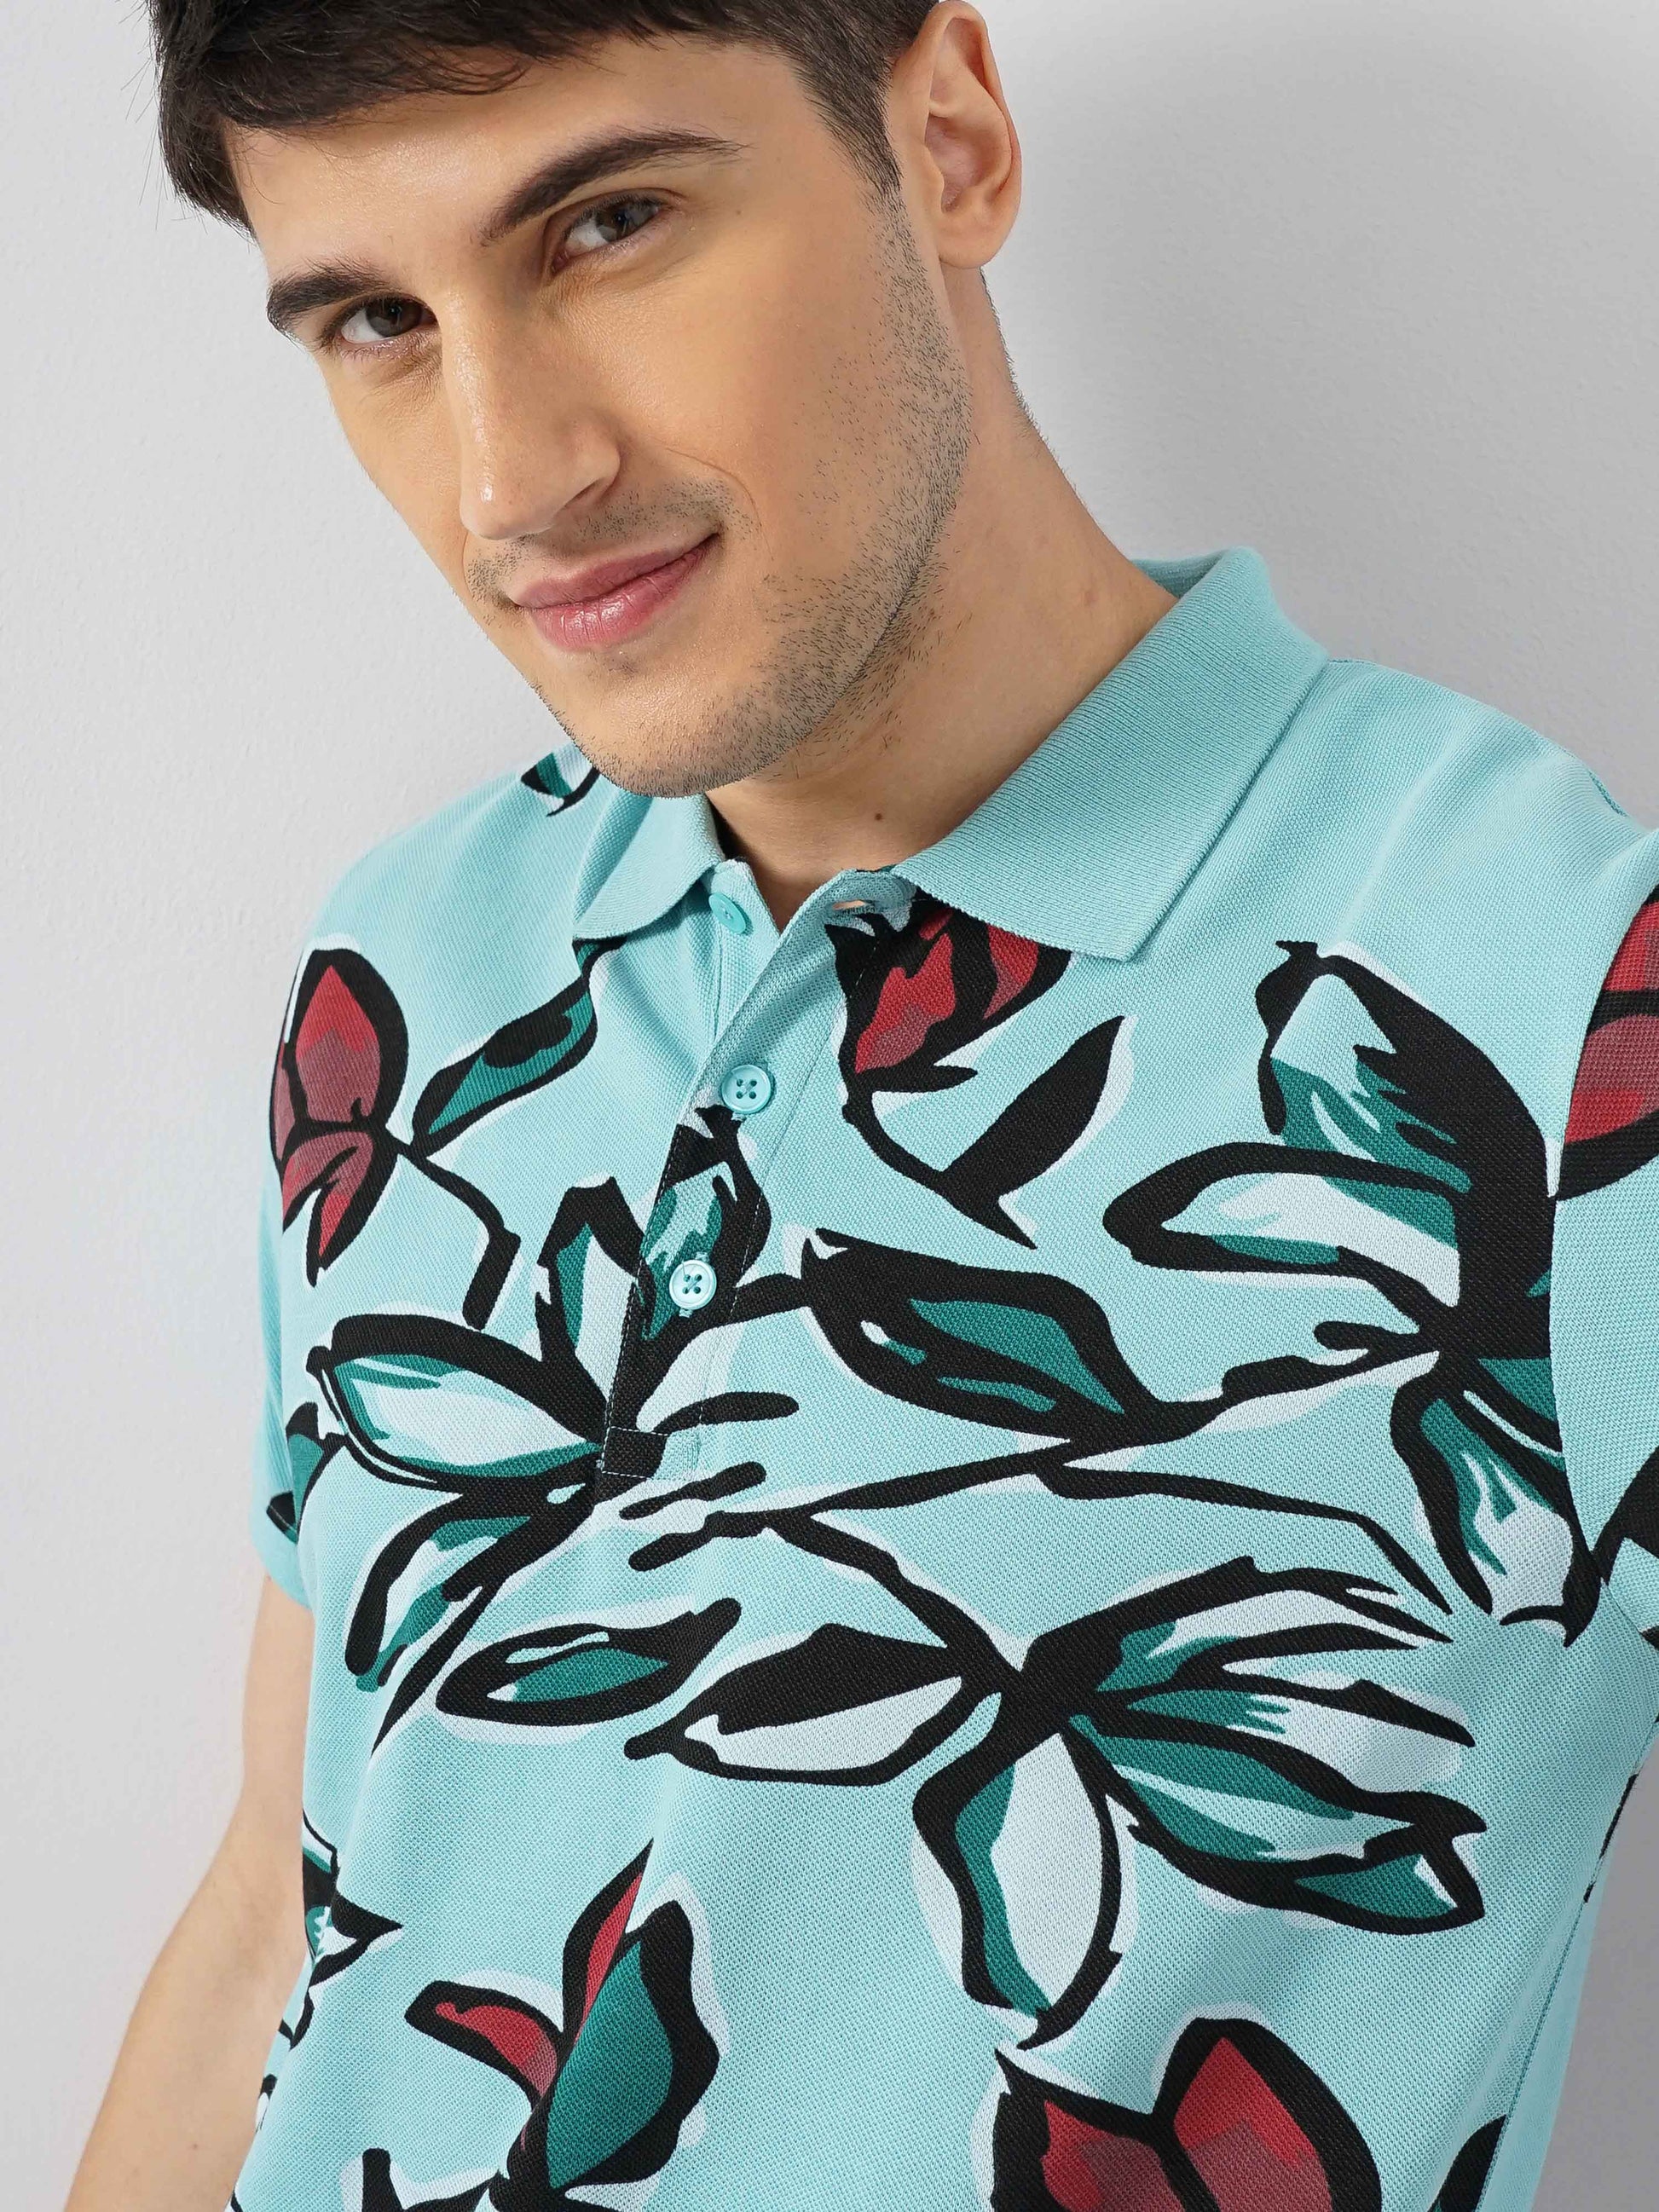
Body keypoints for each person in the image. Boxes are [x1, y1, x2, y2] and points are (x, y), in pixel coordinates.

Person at [67, 4, 1659, 2208]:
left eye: (607, 225)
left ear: (950, 141)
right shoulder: (415, 971)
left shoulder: (1552, 1002)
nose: (510, 477)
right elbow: (285, 1891)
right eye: (377, 322)